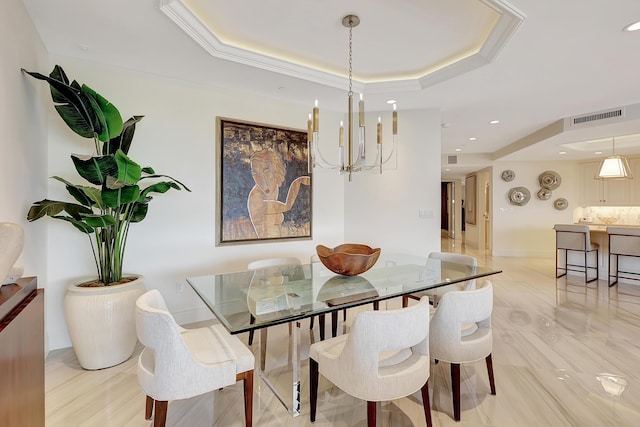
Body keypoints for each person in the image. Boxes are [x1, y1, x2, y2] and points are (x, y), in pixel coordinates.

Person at [248, 149, 310, 238]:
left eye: (266, 170)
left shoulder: (274, 186)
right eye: (254, 172)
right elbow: (287, 206)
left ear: (275, 169)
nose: (261, 178)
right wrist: (298, 181)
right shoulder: (256, 198)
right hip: (268, 243)